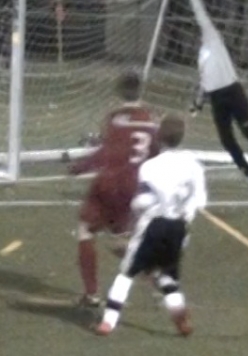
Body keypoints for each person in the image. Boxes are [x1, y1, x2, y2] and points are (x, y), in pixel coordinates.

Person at [95, 113, 207, 336]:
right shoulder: (194, 165)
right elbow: (200, 200)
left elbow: (141, 202)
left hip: (154, 224)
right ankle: (179, 315)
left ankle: (108, 321)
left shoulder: (150, 167)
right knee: (166, 274)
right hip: (179, 227)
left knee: (126, 273)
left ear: (159, 137)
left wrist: (130, 228)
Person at [68, 71, 160, 308]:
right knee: (118, 240)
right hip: (134, 187)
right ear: (141, 91)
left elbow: (105, 152)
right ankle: (152, 273)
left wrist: (79, 167)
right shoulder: (151, 119)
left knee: (85, 230)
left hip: (110, 183)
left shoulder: (116, 118)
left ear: (119, 91)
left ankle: (91, 294)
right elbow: (155, 154)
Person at [183, 0, 248, 190]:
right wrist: (198, 104)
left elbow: (202, 17)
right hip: (216, 98)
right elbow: (204, 82)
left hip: (233, 91)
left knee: (247, 129)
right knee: (227, 140)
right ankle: (247, 172)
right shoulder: (202, 56)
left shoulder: (213, 40)